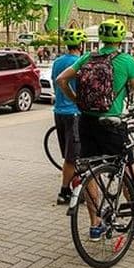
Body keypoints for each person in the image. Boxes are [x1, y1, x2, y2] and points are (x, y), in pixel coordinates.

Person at [57, 18, 134, 241]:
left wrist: (76, 100)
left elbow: (61, 79)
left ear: (102, 39)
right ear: (121, 39)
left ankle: (95, 225)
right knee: (128, 167)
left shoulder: (87, 57)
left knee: (90, 170)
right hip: (111, 123)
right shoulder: (126, 61)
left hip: (86, 121)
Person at [51, 28, 87, 205]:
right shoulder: (80, 62)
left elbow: (54, 82)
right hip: (74, 112)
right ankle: (65, 191)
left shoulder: (57, 62)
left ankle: (75, 187)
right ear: (81, 45)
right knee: (74, 156)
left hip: (58, 112)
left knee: (68, 154)